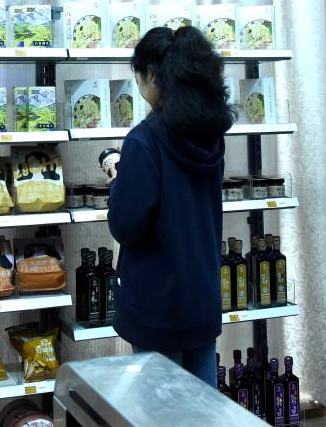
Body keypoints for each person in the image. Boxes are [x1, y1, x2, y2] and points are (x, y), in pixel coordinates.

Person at [104, 25, 235, 386]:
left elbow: (127, 225)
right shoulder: (209, 134)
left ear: (152, 75)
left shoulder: (144, 141)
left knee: (160, 407)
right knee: (203, 403)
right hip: (201, 295)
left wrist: (117, 183)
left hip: (157, 303)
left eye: (138, 75)